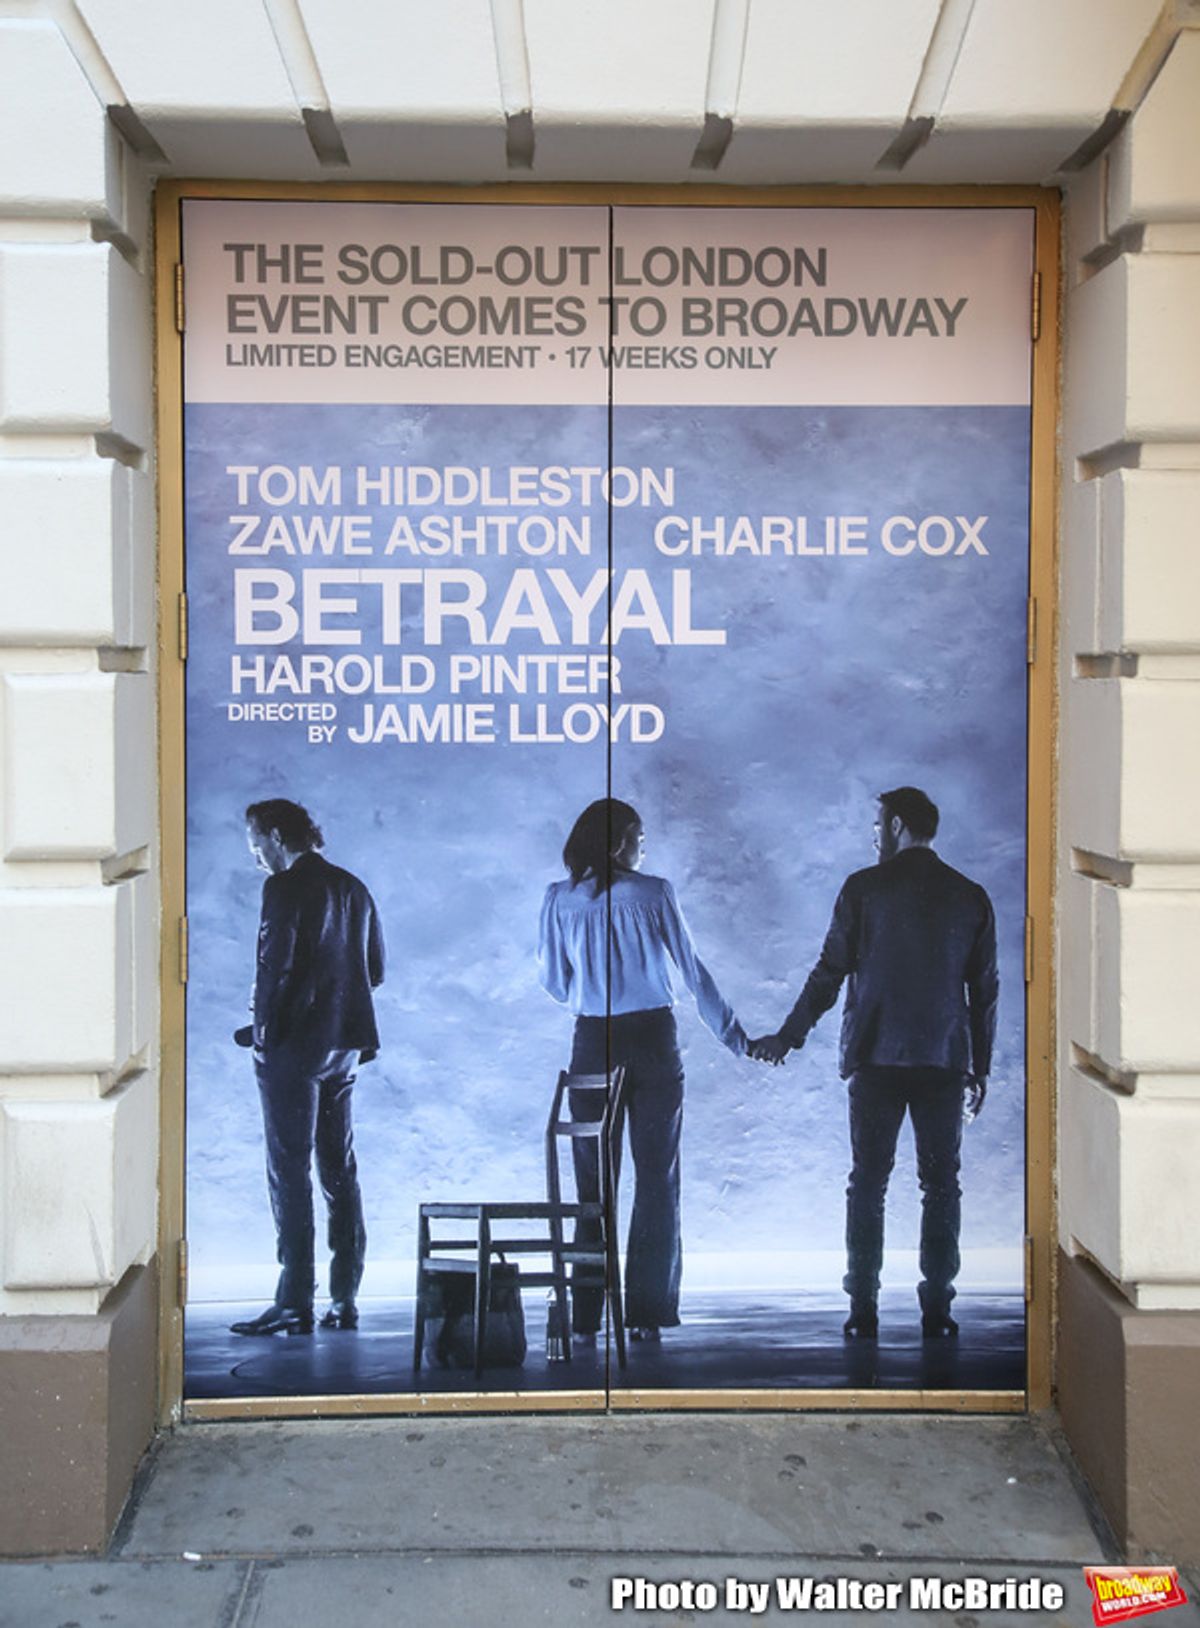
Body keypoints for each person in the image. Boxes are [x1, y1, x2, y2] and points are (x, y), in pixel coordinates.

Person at [750, 786, 998, 1341]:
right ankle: (938, 1308)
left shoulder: (862, 889)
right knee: (941, 1185)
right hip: (943, 1060)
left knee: (867, 1183)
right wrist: (980, 1067)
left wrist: (788, 1038)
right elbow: (984, 991)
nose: (873, 834)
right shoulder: (971, 896)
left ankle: (863, 1308)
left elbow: (828, 974)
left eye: (878, 823)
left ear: (896, 827)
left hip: (876, 1059)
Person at [538, 797, 747, 1343]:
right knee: (657, 1177)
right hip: (653, 1039)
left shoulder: (558, 900)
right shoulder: (655, 894)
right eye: (638, 836)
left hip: (590, 1042)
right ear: (616, 843)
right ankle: (647, 1315)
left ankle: (585, 1319)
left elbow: (557, 985)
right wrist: (735, 1037)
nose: (643, 846)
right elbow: (692, 971)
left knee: (592, 1183)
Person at [230, 799, 385, 1337]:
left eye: (256, 843)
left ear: (276, 834)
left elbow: (275, 964)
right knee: (339, 1169)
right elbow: (376, 970)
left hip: (293, 1047)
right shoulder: (354, 887)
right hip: (345, 1046)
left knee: (288, 1168)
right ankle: (345, 1298)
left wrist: (263, 1033)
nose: (255, 856)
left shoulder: (283, 888)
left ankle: (294, 1300)